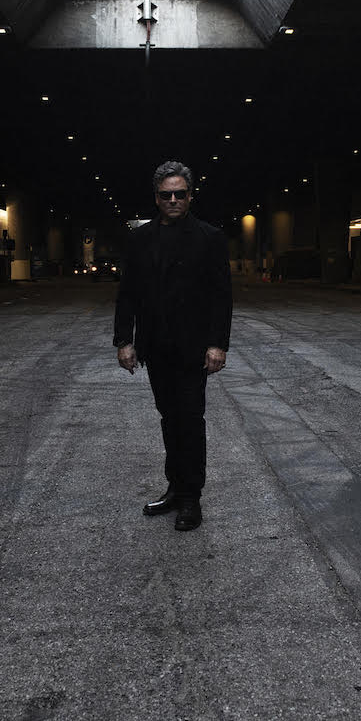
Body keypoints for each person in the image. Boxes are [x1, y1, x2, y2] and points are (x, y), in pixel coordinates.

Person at [113, 161, 233, 531]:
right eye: (166, 195)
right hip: (156, 347)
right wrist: (124, 340)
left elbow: (221, 297)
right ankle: (175, 488)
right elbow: (127, 294)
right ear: (156, 198)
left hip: (194, 350)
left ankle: (191, 498)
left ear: (190, 196)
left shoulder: (210, 237)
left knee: (190, 420)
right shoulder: (140, 239)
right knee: (169, 418)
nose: (174, 200)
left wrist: (218, 344)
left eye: (180, 194)